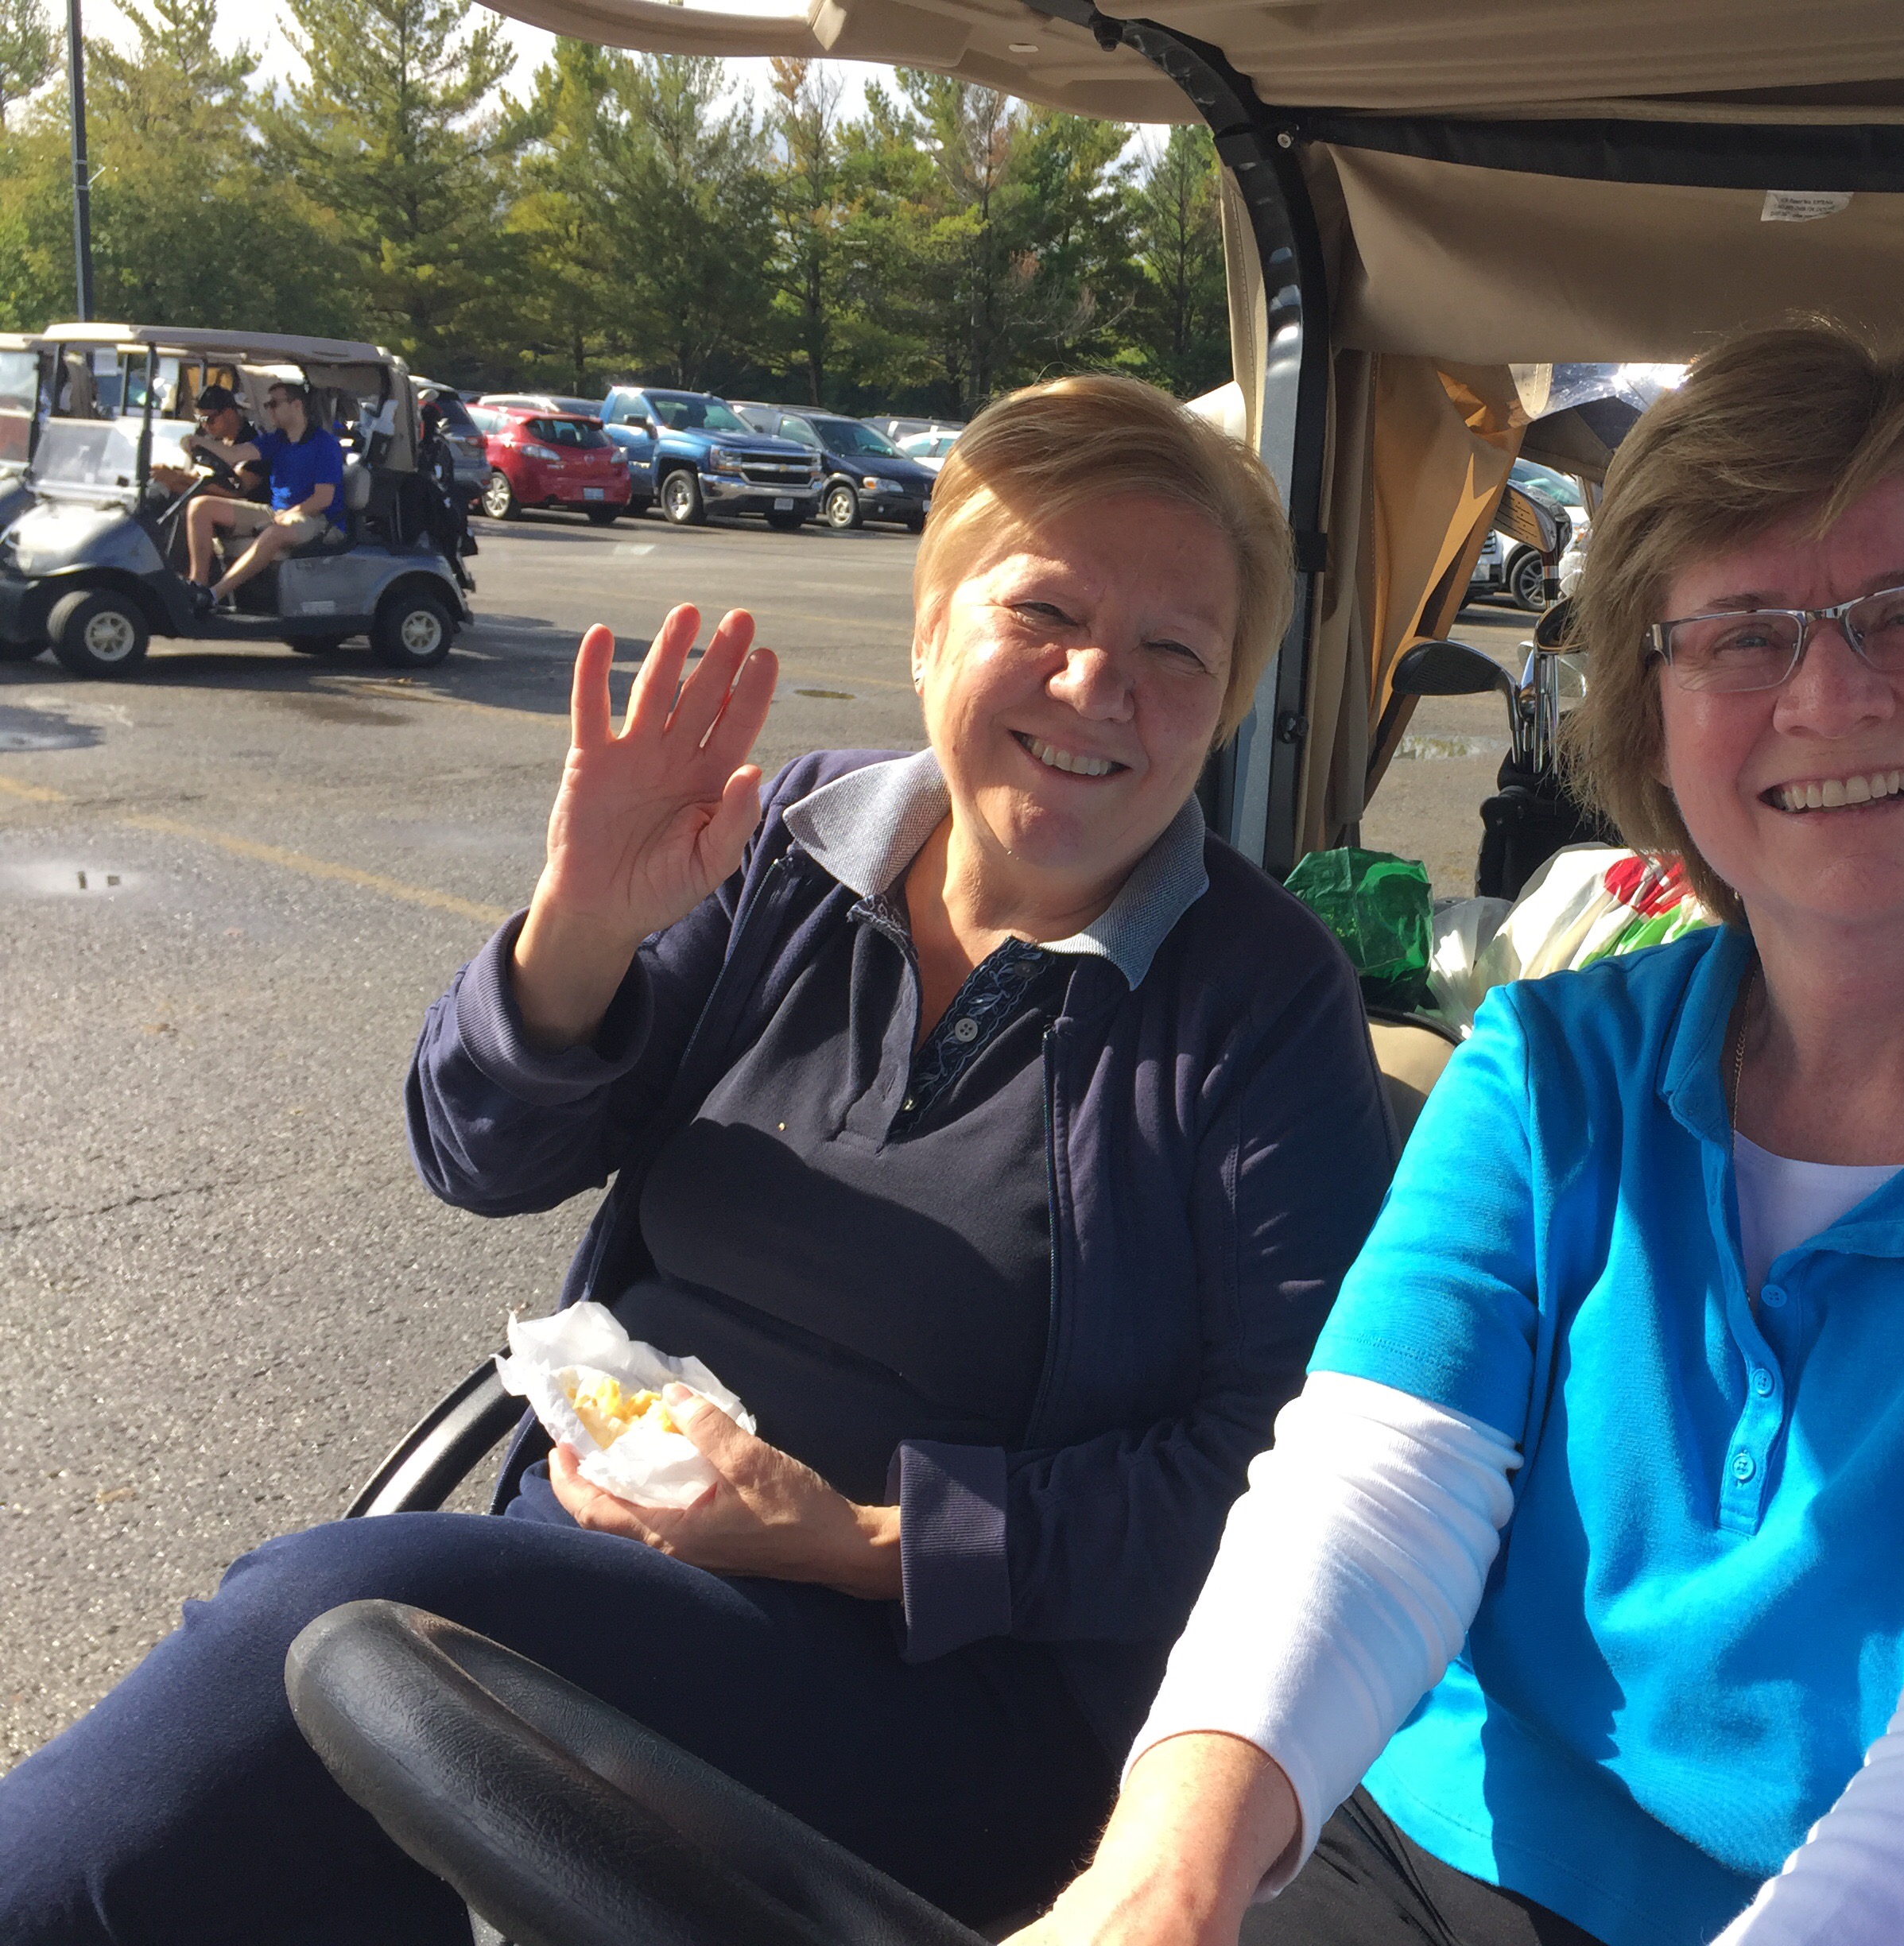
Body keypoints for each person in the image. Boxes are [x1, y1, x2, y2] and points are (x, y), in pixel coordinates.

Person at [1015, 328, 1904, 1946]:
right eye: (1741, 636)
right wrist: (1158, 1885)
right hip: (1460, 1857)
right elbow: (1370, 1496)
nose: (1830, 694)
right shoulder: (1547, 1068)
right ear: (1654, 725)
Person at [0, 373, 1396, 1945]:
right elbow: (476, 1154)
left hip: (949, 1691)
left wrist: (862, 1543)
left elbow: (1275, 1480)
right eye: (1045, 613)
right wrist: (578, 929)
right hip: (584, 1559)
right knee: (307, 1789)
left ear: (1226, 701)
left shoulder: (1260, 1001)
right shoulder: (790, 840)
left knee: (335, 1625)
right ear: (930, 629)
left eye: (1174, 653)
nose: (1096, 686)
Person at [180, 378, 347, 607]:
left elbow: (322, 499)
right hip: (279, 513)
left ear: (297, 405)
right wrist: (198, 442)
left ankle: (213, 595)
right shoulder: (276, 440)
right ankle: (197, 585)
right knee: (200, 506)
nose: (269, 410)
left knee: (274, 532)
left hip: (319, 520)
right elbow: (234, 454)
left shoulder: (324, 444)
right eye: (268, 405)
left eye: (274, 404)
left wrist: (283, 517)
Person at [148, 382, 266, 502]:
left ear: (229, 413)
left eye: (209, 419)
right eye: (200, 419)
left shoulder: (251, 443)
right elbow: (196, 474)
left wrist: (178, 477)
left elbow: (236, 489)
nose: (205, 425)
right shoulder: (213, 440)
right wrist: (169, 474)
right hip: (213, 498)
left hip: (240, 505)